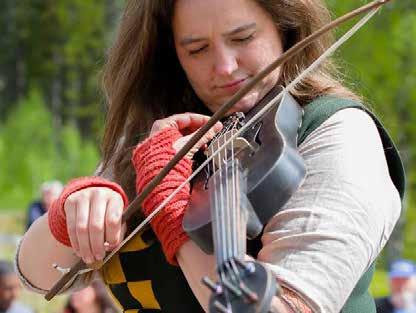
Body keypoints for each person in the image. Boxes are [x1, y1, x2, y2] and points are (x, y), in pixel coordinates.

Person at [15, 0, 405, 312]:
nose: (224, 67)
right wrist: (74, 212)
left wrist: (174, 224)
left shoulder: (339, 135)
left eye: (243, 38)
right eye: (197, 49)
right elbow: (39, 277)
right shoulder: (162, 140)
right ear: (170, 56)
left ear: (285, 28)